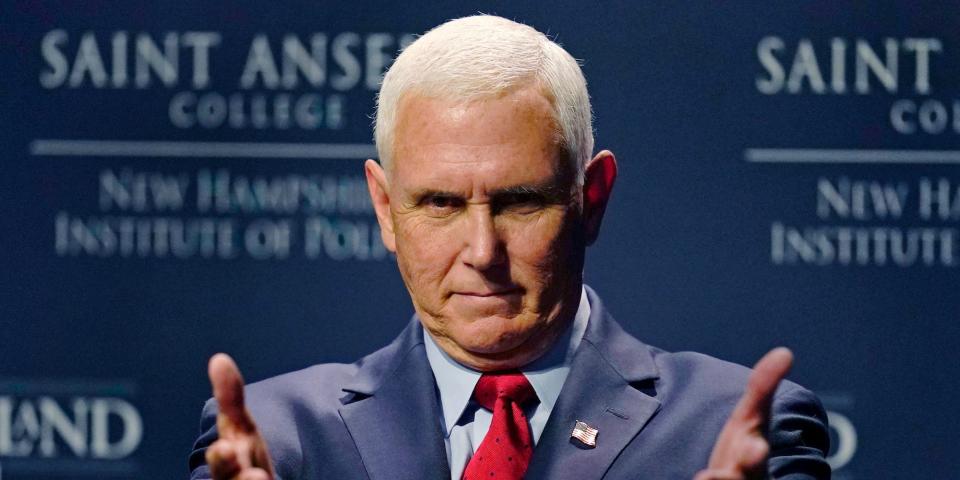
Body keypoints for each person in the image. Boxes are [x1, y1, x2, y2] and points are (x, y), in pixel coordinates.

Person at [189, 15, 830, 480]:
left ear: (592, 199)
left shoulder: (740, 431)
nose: (481, 251)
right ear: (385, 208)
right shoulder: (275, 440)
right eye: (439, 204)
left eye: (520, 202)